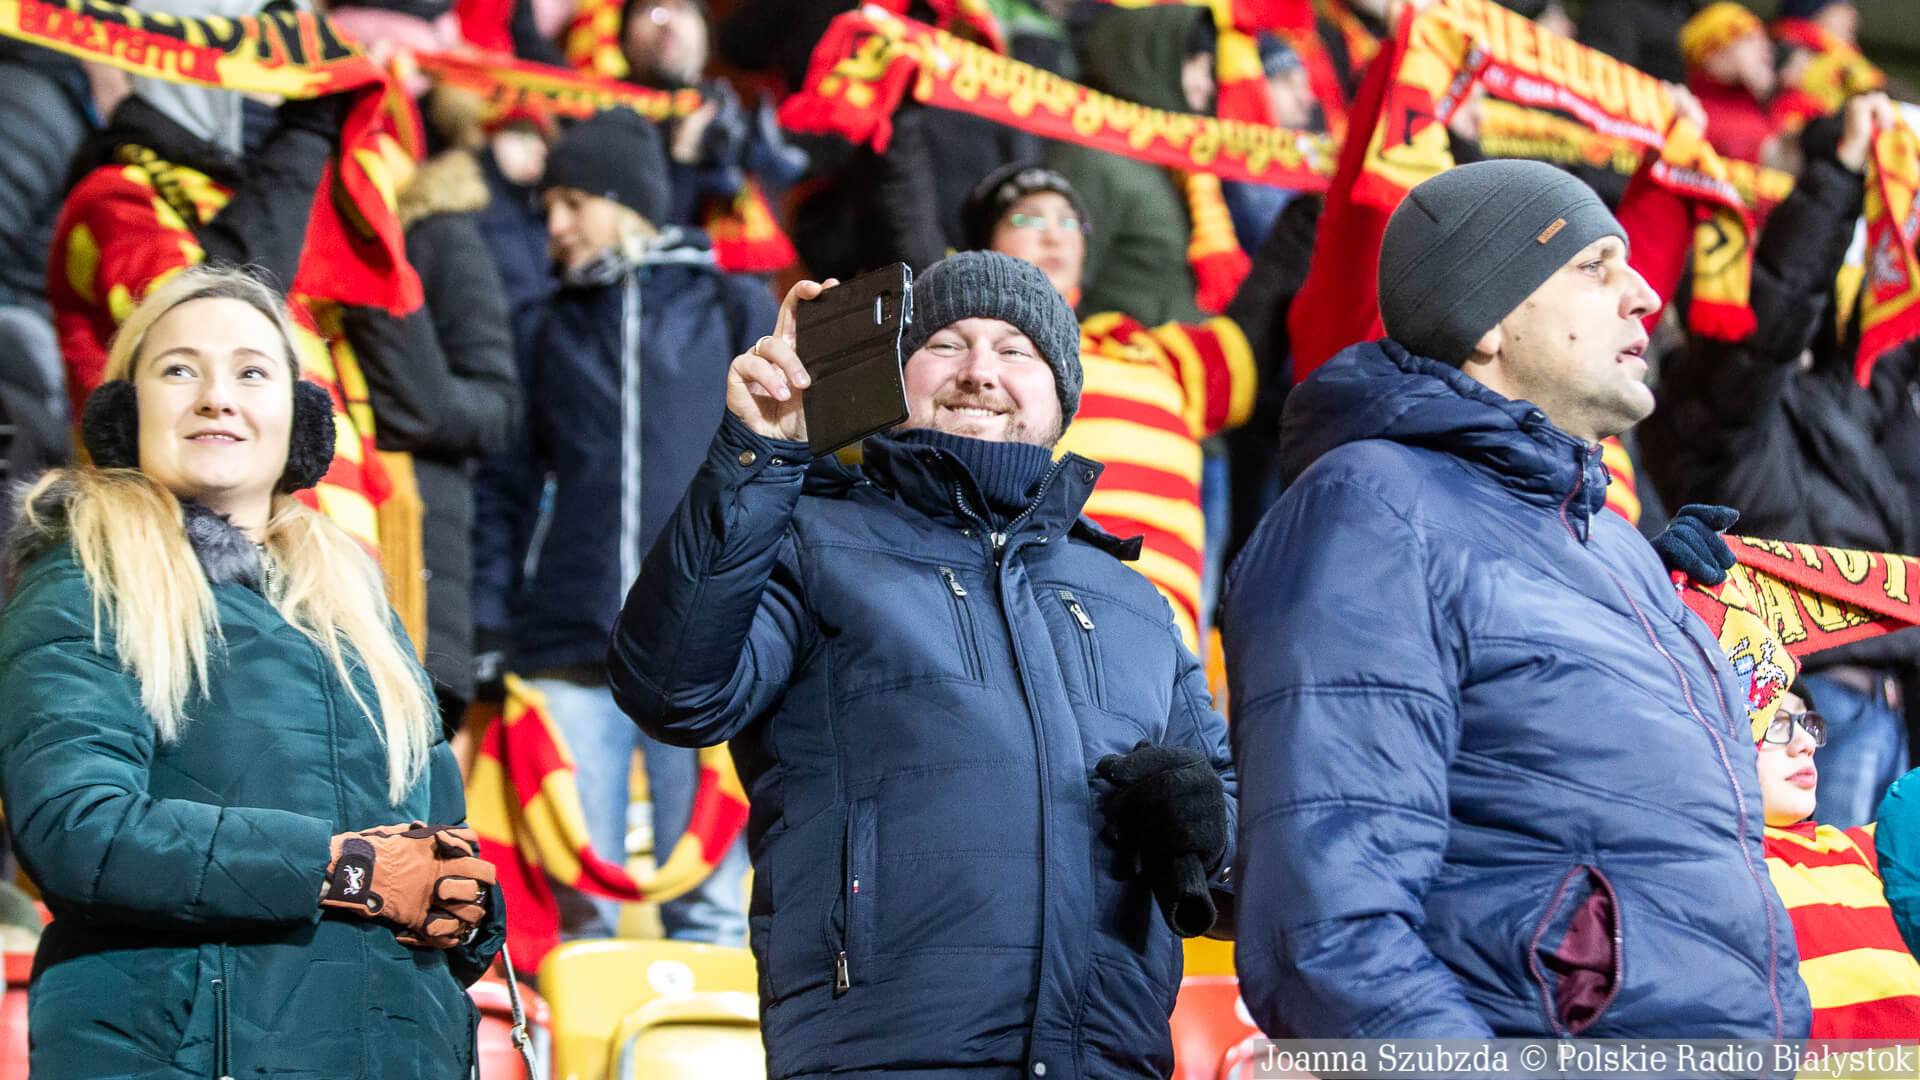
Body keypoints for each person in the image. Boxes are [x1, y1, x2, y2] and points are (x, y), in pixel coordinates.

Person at [606, 250, 1237, 1078]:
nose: (979, 371)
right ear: (894, 378)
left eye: (1016, 350)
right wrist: (755, 454)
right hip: (880, 1058)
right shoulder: (809, 540)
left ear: (1063, 397)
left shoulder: (1134, 601)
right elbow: (672, 691)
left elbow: (1237, 878)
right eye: (945, 344)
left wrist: (1207, 832)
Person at [1224, 158, 1809, 1038]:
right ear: (1487, 321)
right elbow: (1330, 937)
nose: (1647, 295)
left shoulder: (1621, 551)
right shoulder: (1373, 510)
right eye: (1595, 268)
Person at [0, 267, 502, 1079]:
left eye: (251, 372)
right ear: (127, 414)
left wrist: (466, 904)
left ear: (300, 420)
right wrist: (347, 871)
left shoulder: (357, 606)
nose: (216, 398)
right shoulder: (86, 579)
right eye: (179, 370)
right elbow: (77, 829)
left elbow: (437, 839)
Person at [472, 107, 772, 944]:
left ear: (625, 200)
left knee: (714, 906)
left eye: (572, 203)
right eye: (548, 209)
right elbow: (503, 489)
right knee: (577, 911)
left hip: (709, 644)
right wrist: (490, 621)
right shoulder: (542, 324)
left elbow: (787, 469)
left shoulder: (733, 305)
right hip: (567, 641)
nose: (556, 227)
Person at [1641, 93, 1915, 829]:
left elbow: (1894, 337)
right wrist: (1841, 173)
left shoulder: (1833, 398)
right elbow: (1776, 311)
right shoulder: (1708, 406)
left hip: (1893, 711)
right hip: (1810, 714)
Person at [962, 163, 1265, 650]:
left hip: (1170, 644)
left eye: (1069, 221)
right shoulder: (965, 364)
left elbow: (1259, 332)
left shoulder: (1144, 349)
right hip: (1042, 633)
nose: (1053, 235)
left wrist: (1316, 209)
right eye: (1027, 219)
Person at [1679, 2, 1781, 162]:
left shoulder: (1760, 108)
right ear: (1712, 55)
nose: (1765, 48)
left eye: (1763, 39)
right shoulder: (1697, 117)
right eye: (1748, 39)